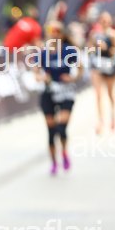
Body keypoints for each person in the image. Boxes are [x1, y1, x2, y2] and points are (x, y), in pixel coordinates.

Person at [35, 21, 83, 175]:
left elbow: (81, 68)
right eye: (51, 30)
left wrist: (73, 78)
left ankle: (64, 153)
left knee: (61, 129)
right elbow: (36, 73)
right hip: (49, 92)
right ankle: (54, 163)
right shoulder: (43, 52)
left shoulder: (69, 50)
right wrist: (42, 77)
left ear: (62, 34)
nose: (54, 34)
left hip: (65, 92)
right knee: (51, 131)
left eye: (57, 31)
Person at [88, 12, 115, 133]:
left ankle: (113, 117)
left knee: (110, 93)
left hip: (110, 66)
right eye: (102, 20)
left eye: (106, 21)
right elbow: (89, 49)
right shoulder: (95, 35)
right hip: (98, 65)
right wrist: (95, 49)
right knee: (98, 95)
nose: (104, 23)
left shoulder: (113, 34)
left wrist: (108, 49)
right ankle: (101, 121)